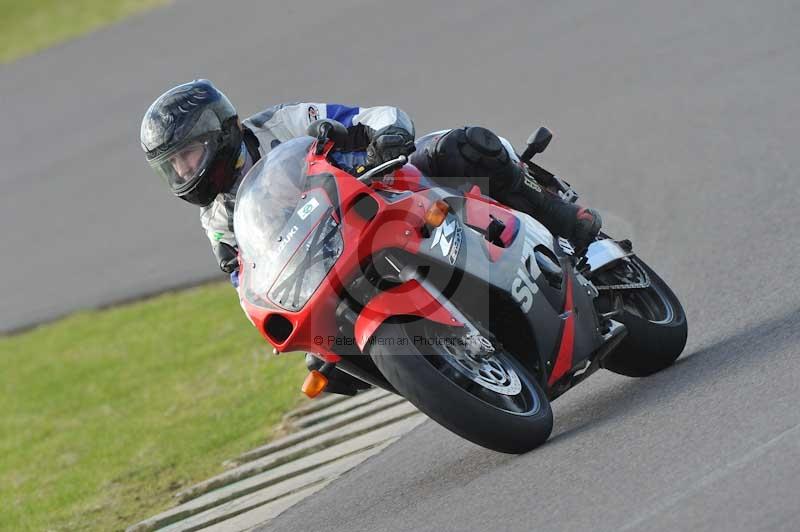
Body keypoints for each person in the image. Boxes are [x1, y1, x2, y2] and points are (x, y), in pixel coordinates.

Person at [140, 79, 602, 394]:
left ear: (219, 132)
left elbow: (375, 116)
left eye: (189, 155)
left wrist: (389, 137)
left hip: (384, 186)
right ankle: (439, 369)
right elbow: (245, 280)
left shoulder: (279, 124)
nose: (184, 172)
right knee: (329, 362)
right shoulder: (217, 220)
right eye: (173, 165)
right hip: (332, 262)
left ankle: (560, 218)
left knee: (464, 146)